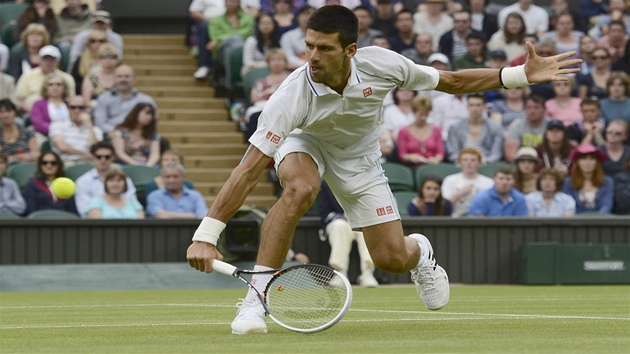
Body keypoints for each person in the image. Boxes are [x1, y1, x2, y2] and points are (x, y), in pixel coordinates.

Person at [185, 5, 580, 335]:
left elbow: (452, 81)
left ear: (351, 50)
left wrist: (518, 75)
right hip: (306, 141)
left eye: (323, 48)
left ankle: (420, 252)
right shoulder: (291, 96)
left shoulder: (384, 65)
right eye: (308, 47)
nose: (312, 57)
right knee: (301, 189)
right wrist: (206, 234)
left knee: (392, 258)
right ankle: (256, 299)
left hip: (360, 158)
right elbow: (249, 169)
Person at [319, 180, 378, 288]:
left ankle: (367, 273)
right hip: (340, 221)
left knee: (368, 228)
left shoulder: (366, 181)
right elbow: (325, 211)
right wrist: (340, 217)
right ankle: (340, 274)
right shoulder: (327, 183)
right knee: (339, 226)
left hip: (362, 221)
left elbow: (372, 205)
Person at [74, 140, 137, 217]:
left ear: (113, 157)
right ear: (93, 157)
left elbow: (133, 205)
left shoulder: (125, 179)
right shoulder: (83, 181)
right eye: (98, 157)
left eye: (107, 157)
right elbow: (84, 211)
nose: (103, 160)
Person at [93, 64, 157, 135]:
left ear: (135, 79)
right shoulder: (103, 99)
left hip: (139, 137)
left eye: (127, 76)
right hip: (111, 136)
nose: (123, 80)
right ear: (114, 79)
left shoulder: (146, 100)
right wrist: (116, 133)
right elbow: (100, 122)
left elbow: (152, 122)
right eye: (119, 76)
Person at [14, 45, 75, 114]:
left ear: (58, 62)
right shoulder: (28, 75)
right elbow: (19, 99)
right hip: (30, 113)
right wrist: (33, 111)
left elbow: (71, 99)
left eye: (51, 59)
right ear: (39, 60)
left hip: (60, 113)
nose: (48, 62)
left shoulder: (67, 78)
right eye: (45, 59)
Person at [208, 0, 255, 88]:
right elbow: (215, 36)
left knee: (231, 48)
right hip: (221, 51)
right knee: (236, 39)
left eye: (233, 2)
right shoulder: (216, 20)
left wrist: (227, 36)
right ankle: (239, 79)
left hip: (240, 48)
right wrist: (235, 34)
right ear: (224, 3)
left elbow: (248, 33)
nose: (230, 4)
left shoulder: (248, 18)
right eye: (228, 2)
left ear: (238, 3)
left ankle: (230, 85)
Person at [445, 93, 504, 163]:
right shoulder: (455, 128)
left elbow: (496, 154)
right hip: (461, 166)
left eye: (478, 105)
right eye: (471, 105)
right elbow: (453, 153)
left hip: (486, 165)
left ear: (484, 106)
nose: (475, 108)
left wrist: (483, 162)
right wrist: (465, 162)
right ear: (467, 106)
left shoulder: (496, 128)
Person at [49, 95, 102, 166]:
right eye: (73, 107)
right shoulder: (57, 125)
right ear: (68, 108)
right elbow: (62, 147)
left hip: (90, 162)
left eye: (81, 107)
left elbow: (95, 150)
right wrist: (85, 154)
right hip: (67, 162)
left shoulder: (94, 129)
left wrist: (89, 125)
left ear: (86, 109)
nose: (77, 110)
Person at [562, 144, 614, 214]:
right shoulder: (568, 182)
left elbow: (607, 205)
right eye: (583, 159)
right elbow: (568, 206)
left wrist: (597, 220)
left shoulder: (608, 182)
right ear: (578, 162)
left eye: (591, 159)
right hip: (576, 222)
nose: (588, 162)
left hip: (601, 221)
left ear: (597, 162)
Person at [441, 147, 495, 216]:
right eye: (465, 160)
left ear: (479, 163)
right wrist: (459, 193)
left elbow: (492, 206)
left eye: (473, 160)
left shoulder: (489, 183)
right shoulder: (450, 180)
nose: (469, 163)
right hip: (455, 219)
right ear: (459, 162)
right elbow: (443, 207)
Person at [22, 151, 78, 216]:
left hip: (63, 222)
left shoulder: (67, 184)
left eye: (53, 163)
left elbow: (73, 211)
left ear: (58, 165)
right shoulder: (32, 184)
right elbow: (30, 210)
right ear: (40, 165)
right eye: (44, 163)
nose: (49, 166)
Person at [397, 95, 444, 167]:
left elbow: (440, 153)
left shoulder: (436, 130)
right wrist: (410, 157)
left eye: (426, 114)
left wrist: (436, 159)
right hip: (411, 167)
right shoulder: (404, 131)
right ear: (414, 112)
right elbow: (402, 154)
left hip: (432, 166)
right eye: (420, 114)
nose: (423, 117)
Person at [110, 102, 161, 167]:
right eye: (147, 113)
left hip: (146, 164)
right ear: (136, 113)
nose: (149, 117)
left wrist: (148, 166)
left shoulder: (153, 133)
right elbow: (120, 153)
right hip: (125, 164)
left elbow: (155, 154)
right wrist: (136, 165)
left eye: (151, 115)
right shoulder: (120, 131)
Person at [504, 95, 549, 162]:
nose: (532, 111)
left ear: (544, 109)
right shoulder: (516, 125)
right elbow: (510, 155)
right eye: (529, 108)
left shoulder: (551, 126)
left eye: (536, 108)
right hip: (522, 164)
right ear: (525, 109)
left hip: (546, 163)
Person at [189, 0, 227, 79]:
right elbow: (193, 11)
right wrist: (207, 18)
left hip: (235, 22)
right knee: (204, 26)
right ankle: (204, 66)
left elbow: (253, 9)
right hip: (210, 22)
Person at [30, 73, 71, 139]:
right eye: (51, 85)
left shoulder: (70, 104)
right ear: (45, 88)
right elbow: (38, 123)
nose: (55, 87)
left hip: (70, 135)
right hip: (45, 136)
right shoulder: (38, 104)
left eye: (59, 84)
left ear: (64, 88)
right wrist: (57, 131)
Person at [0, 99, 40, 165]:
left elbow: (36, 154)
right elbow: (1, 159)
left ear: (14, 112)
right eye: (2, 112)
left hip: (28, 165)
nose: (6, 115)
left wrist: (26, 157)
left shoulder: (27, 132)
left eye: (9, 111)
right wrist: (18, 157)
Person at [69, 29, 108, 94]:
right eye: (93, 41)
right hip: (84, 93)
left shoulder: (112, 59)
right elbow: (75, 80)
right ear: (89, 44)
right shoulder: (80, 59)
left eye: (101, 41)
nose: (97, 44)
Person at [280, 6, 314, 71]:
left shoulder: (322, 36)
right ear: (298, 17)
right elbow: (288, 57)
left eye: (310, 14)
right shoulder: (287, 36)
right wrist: (307, 64)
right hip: (294, 71)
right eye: (304, 14)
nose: (307, 18)